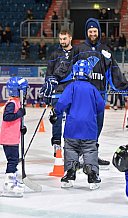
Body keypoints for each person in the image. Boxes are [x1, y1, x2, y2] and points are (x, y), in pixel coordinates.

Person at [76, 18, 128, 167]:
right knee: (84, 125)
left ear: (99, 32)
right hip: (84, 96)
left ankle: (92, 155)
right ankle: (80, 155)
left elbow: (114, 71)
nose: (93, 33)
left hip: (100, 95)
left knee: (98, 126)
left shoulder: (105, 50)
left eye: (95, 31)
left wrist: (126, 87)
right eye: (90, 31)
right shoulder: (79, 49)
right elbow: (68, 70)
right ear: (87, 32)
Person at [49, 60, 105, 189]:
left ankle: (69, 173)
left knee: (70, 149)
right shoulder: (92, 88)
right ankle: (92, 175)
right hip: (89, 127)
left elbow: (62, 103)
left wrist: (55, 112)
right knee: (90, 150)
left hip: (72, 126)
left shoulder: (71, 87)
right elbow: (101, 106)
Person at [43, 29, 78, 157]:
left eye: (64, 39)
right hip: (57, 93)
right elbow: (49, 73)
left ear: (70, 38)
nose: (62, 41)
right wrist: (47, 92)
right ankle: (57, 144)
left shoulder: (77, 53)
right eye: (60, 39)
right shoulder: (54, 54)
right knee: (56, 119)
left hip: (72, 92)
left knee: (72, 119)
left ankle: (70, 145)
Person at [0, 77, 29, 197]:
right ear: (19, 91)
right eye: (24, 89)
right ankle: (8, 184)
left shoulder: (17, 102)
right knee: (12, 160)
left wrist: (21, 128)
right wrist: (19, 114)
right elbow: (7, 117)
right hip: (9, 138)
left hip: (13, 137)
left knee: (15, 159)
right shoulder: (12, 103)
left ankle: (13, 180)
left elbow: (15, 121)